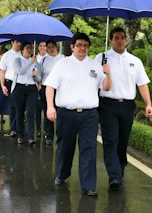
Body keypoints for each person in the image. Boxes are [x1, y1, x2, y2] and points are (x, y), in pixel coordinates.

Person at [44, 33, 112, 197]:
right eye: (79, 45)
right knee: (65, 147)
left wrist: (108, 74)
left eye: (86, 45)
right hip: (66, 113)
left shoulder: (95, 65)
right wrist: (50, 107)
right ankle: (62, 173)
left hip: (89, 114)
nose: (83, 48)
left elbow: (107, 88)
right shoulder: (62, 64)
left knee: (89, 149)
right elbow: (50, 87)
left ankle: (88, 186)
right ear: (72, 47)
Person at [95, 27, 152, 191]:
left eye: (122, 38)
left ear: (126, 40)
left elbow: (142, 84)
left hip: (127, 105)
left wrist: (148, 104)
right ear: (110, 40)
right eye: (116, 38)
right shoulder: (101, 58)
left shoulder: (135, 61)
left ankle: (119, 167)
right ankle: (114, 176)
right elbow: (93, 81)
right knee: (110, 140)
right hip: (107, 104)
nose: (120, 40)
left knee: (122, 141)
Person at [11, 41, 41, 145]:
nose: (30, 50)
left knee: (29, 112)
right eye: (27, 48)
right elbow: (20, 71)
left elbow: (39, 78)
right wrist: (30, 63)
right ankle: (20, 135)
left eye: (31, 48)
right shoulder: (17, 60)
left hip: (32, 89)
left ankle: (30, 137)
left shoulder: (36, 62)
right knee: (19, 112)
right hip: (19, 88)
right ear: (22, 50)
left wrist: (35, 75)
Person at [39, 40, 64, 145]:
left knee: (60, 112)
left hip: (60, 89)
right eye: (48, 47)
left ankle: (60, 134)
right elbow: (40, 75)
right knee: (47, 111)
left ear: (56, 47)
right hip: (46, 88)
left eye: (52, 46)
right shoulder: (44, 60)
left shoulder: (63, 59)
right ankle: (49, 135)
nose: (50, 49)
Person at [0, 40, 23, 137]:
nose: (18, 44)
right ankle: (13, 128)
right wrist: (2, 85)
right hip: (10, 82)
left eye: (19, 42)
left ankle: (19, 126)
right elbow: (2, 72)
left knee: (21, 106)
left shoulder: (24, 54)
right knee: (13, 106)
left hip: (21, 82)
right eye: (17, 42)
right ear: (12, 42)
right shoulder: (6, 55)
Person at [35, 41, 47, 138]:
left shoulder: (49, 58)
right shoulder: (35, 58)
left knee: (46, 109)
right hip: (36, 86)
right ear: (38, 47)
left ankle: (47, 130)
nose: (43, 48)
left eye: (44, 46)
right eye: (41, 46)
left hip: (46, 86)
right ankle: (38, 129)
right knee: (37, 110)